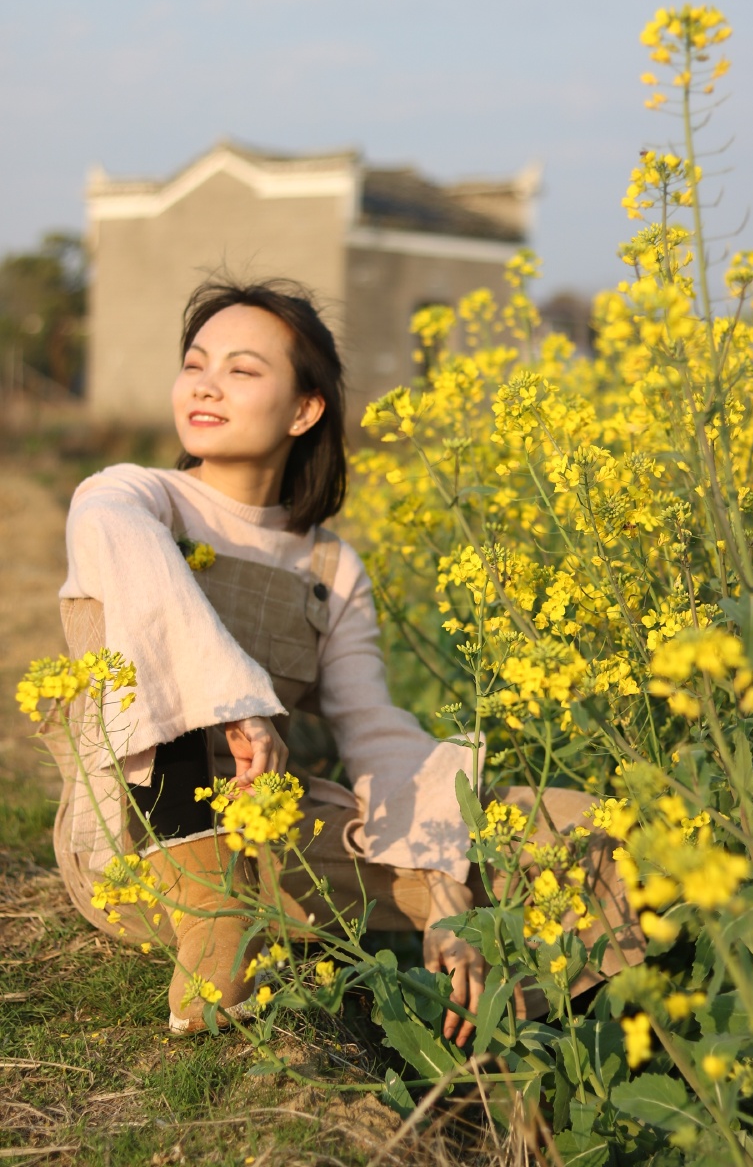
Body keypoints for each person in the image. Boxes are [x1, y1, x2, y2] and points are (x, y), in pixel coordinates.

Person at [53, 279, 642, 1040]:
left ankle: (493, 1014)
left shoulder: (330, 566)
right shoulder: (136, 498)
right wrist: (235, 701)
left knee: (598, 838)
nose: (205, 383)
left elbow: (373, 729)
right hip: (141, 842)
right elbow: (104, 522)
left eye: (241, 369)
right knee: (126, 583)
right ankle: (212, 908)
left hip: (270, 830)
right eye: (195, 362)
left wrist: (448, 885)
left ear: (305, 408)